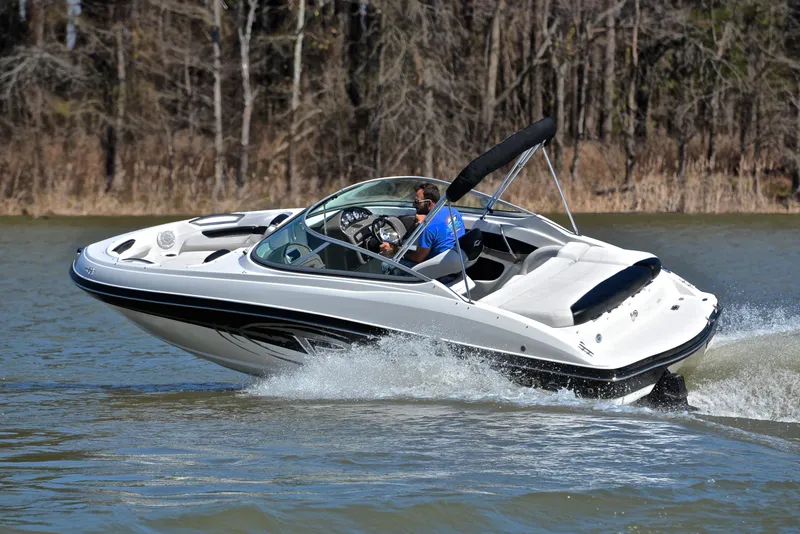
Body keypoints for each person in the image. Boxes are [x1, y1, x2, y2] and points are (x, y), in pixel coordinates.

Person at [380, 183, 465, 276]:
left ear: (428, 203)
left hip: (441, 273)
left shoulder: (428, 226)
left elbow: (418, 258)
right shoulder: (453, 211)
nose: (413, 204)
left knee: (386, 264)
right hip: (457, 264)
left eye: (417, 201)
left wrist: (394, 250)